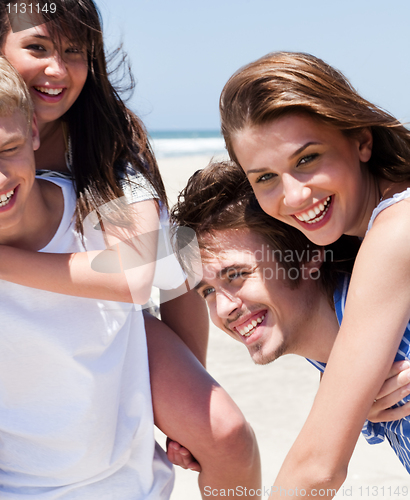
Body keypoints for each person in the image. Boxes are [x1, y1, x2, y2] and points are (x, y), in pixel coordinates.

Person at [0, 1, 262, 497]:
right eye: (36, 47)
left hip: (109, 313)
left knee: (225, 434)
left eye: (75, 51)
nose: (57, 69)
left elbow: (165, 273)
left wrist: (183, 411)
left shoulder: (108, 141)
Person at [219, 51, 410, 496]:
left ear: (361, 140)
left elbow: (319, 468)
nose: (294, 195)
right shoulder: (352, 256)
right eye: (265, 177)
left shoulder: (395, 229)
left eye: (306, 159)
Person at [170, 160, 410, 480]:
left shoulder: (395, 321)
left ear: (309, 254)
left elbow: (317, 471)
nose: (223, 308)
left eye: (237, 275)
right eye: (208, 292)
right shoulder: (342, 364)